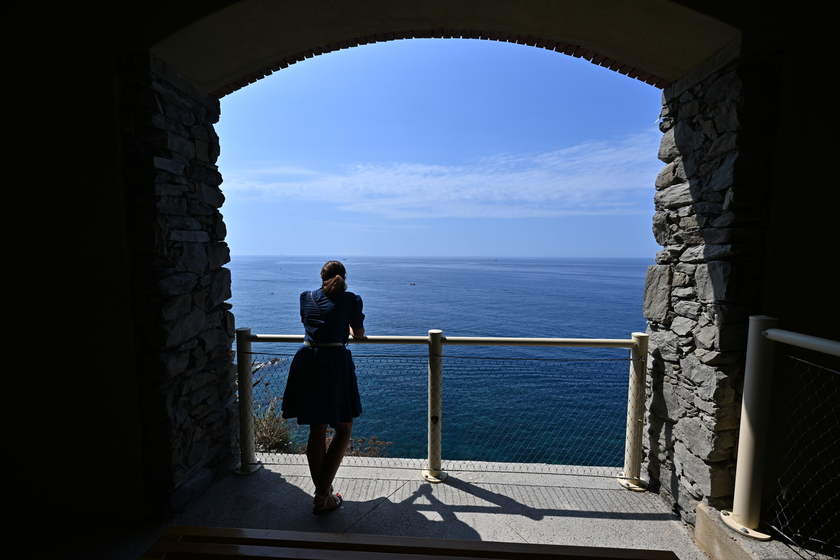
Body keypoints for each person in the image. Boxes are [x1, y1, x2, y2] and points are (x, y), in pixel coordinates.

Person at [281, 260, 365, 514]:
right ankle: (322, 493)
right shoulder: (352, 299)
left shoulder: (306, 297)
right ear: (344, 277)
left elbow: (309, 325)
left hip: (308, 360)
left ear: (321, 276)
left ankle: (324, 494)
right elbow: (358, 334)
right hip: (335, 363)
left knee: (317, 429)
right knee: (344, 425)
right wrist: (347, 329)